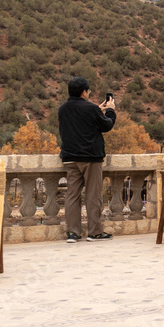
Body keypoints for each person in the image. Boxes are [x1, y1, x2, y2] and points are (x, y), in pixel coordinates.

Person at [58, 76, 116, 243]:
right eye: (88, 91)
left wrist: (98, 109)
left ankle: (73, 233)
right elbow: (107, 125)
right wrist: (110, 110)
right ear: (84, 91)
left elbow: (78, 120)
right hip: (90, 157)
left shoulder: (63, 109)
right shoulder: (90, 109)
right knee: (93, 195)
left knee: (72, 195)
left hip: (69, 157)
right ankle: (95, 232)